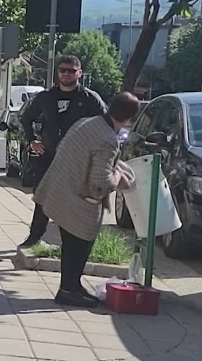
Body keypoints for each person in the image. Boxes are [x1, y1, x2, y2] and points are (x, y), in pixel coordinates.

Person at [33, 92, 141, 307]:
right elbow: (101, 181)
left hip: (58, 189)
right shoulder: (109, 139)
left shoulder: (86, 123)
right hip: (78, 200)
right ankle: (69, 290)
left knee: (70, 245)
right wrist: (119, 176)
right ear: (130, 119)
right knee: (80, 245)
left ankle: (71, 286)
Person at [17, 55, 107, 248]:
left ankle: (68, 243)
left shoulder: (90, 99)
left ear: (79, 73)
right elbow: (25, 118)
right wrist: (32, 140)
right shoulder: (45, 97)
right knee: (43, 197)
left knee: (73, 201)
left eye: (71, 71)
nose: (66, 74)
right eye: (62, 70)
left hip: (78, 160)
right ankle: (34, 237)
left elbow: (106, 125)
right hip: (48, 156)